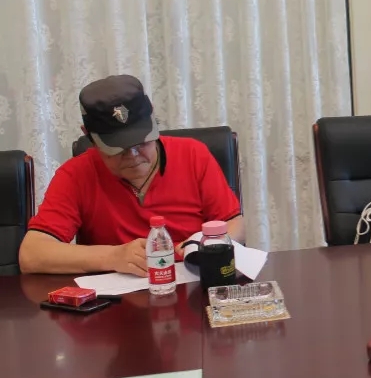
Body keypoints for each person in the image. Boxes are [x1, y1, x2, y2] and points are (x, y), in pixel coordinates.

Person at [19, 75, 244, 276]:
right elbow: (31, 254)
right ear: (89, 136)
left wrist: (204, 248)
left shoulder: (193, 155)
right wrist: (113, 257)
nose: (134, 155)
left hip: (191, 285)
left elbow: (234, 224)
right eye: (118, 148)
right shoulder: (75, 174)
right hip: (117, 301)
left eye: (141, 141)